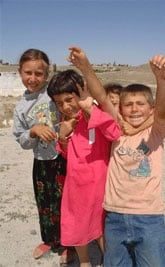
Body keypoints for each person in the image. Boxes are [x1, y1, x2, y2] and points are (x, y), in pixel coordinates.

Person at [67, 46, 165, 267]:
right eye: (128, 104)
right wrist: (86, 67)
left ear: (150, 108)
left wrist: (162, 81)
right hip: (114, 217)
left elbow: (162, 113)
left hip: (149, 218)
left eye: (141, 104)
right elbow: (102, 98)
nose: (134, 109)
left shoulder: (154, 132)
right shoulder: (115, 131)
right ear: (121, 110)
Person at [47, 69, 121, 267]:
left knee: (100, 227)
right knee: (76, 225)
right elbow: (67, 155)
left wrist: (90, 110)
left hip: (99, 185)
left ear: (82, 93)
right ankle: (85, 261)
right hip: (75, 186)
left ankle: (111, 261)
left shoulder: (96, 113)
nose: (65, 106)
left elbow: (114, 133)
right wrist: (62, 137)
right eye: (59, 103)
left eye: (69, 99)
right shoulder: (66, 122)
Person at [12, 48, 75, 265]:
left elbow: (74, 106)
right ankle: (49, 240)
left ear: (46, 74)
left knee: (67, 202)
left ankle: (70, 243)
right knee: (45, 204)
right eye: (28, 72)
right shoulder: (20, 107)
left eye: (39, 73)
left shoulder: (54, 93)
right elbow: (21, 140)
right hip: (41, 162)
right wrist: (33, 131)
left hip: (65, 159)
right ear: (20, 72)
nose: (33, 78)